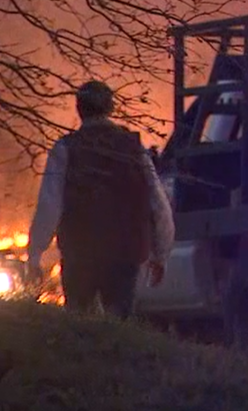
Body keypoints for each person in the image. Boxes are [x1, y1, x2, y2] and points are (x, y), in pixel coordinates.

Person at [26, 80, 174, 319]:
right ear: (111, 108)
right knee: (120, 325)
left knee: (79, 323)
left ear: (79, 108)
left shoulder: (66, 149)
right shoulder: (133, 149)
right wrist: (161, 254)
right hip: (125, 252)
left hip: (80, 252)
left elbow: (49, 205)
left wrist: (35, 254)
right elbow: (158, 203)